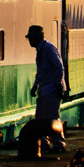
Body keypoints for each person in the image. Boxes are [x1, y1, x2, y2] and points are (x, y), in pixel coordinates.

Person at [26, 24, 67, 152]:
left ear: (36, 38)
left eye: (31, 39)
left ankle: (59, 144)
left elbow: (59, 68)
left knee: (52, 117)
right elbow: (41, 71)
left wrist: (57, 85)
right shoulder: (41, 50)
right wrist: (35, 86)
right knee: (40, 118)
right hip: (44, 89)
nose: (29, 41)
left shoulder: (48, 49)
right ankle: (44, 143)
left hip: (52, 89)